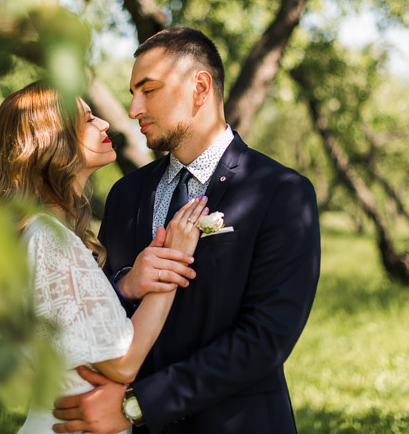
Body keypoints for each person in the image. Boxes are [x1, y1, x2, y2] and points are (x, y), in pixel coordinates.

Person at [52, 27, 321, 434]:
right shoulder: (126, 194)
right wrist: (126, 284)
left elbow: (265, 338)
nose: (132, 108)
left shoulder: (281, 192)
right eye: (131, 92)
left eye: (148, 90)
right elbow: (98, 314)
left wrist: (137, 405)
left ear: (200, 87)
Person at [0, 82, 208, 434]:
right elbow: (122, 364)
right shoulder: (50, 239)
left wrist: (128, 287)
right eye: (87, 118)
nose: (104, 123)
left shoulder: (41, 233)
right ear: (52, 139)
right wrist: (173, 262)